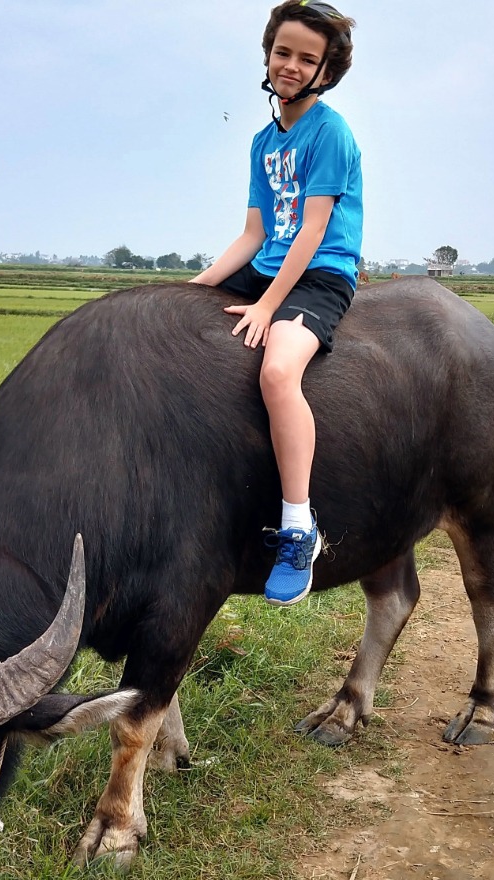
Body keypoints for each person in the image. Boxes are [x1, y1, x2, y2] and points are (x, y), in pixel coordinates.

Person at [191, 0, 362, 606]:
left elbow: (312, 231)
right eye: (283, 52)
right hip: (268, 266)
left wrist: (267, 307)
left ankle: (298, 525)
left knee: (278, 369)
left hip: (319, 275)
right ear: (268, 54)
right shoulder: (265, 140)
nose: (291, 65)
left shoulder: (331, 133)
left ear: (326, 71)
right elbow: (254, 235)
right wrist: (198, 287)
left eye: (306, 58)